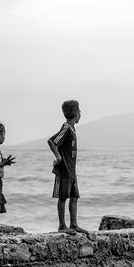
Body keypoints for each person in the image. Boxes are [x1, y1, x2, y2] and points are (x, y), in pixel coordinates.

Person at [48, 100, 88, 234]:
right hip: (64, 169)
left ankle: (74, 224)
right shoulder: (66, 128)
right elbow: (52, 141)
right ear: (76, 113)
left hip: (71, 171)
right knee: (63, 197)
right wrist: (58, 157)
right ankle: (62, 225)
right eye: (80, 111)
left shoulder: (72, 129)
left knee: (74, 196)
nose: (81, 114)